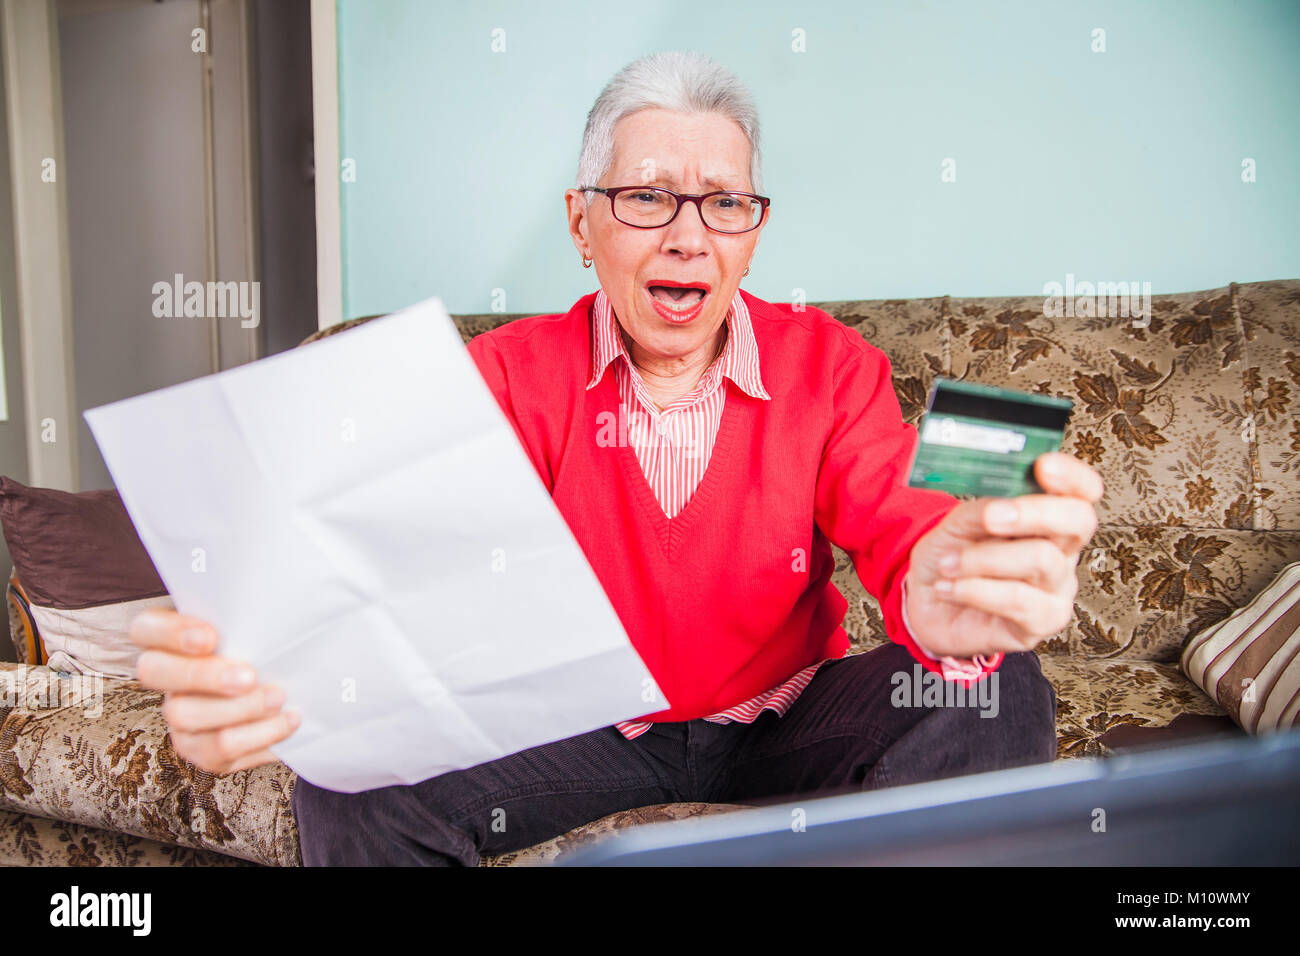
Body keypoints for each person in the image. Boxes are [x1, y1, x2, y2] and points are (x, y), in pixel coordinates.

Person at [128, 51, 1103, 866]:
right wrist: (271, 676)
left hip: (791, 720)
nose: (687, 234)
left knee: (998, 692)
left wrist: (945, 587)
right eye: (646, 197)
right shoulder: (504, 376)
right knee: (349, 784)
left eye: (723, 203)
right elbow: (380, 564)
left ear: (753, 237)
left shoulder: (831, 367)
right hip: (581, 735)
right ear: (579, 222)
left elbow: (905, 520)